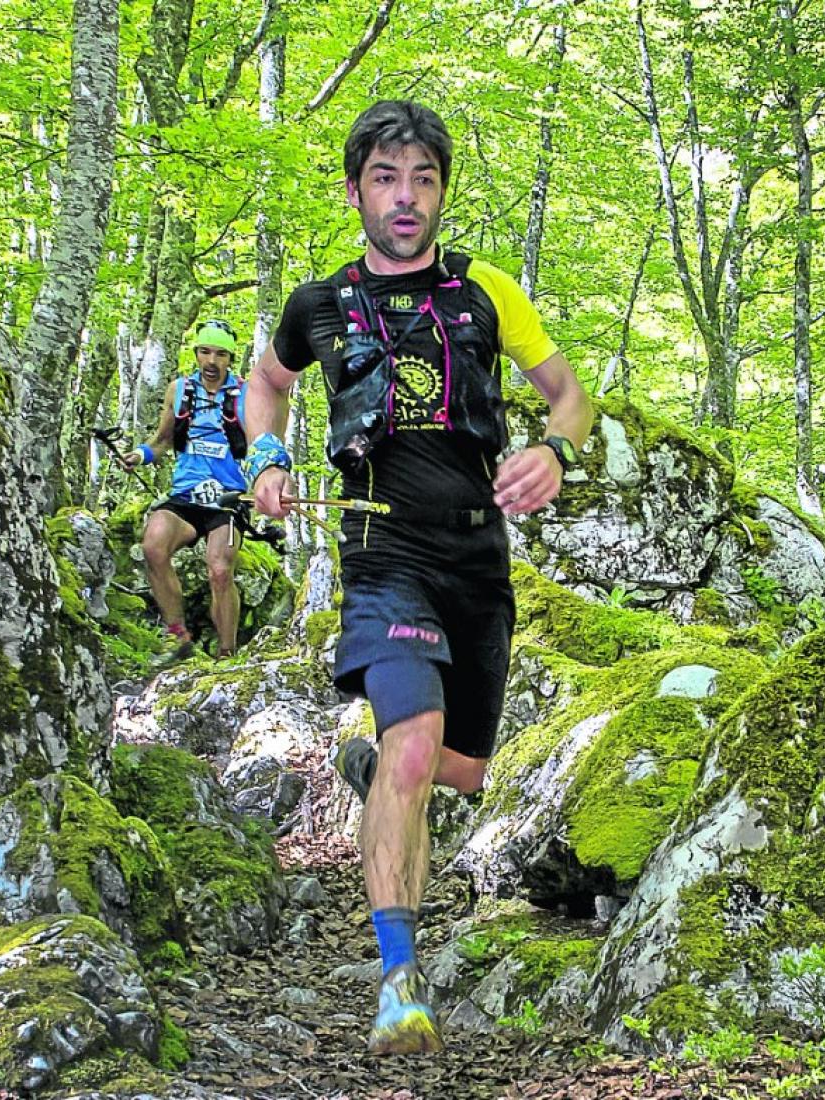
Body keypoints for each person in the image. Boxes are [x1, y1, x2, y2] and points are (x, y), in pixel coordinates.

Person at [241, 100, 593, 1055]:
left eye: (423, 180)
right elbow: (264, 384)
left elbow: (568, 393)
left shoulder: (486, 294)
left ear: (440, 191)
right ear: (356, 188)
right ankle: (399, 982)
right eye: (387, 179)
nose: (406, 198)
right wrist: (264, 458)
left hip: (478, 555)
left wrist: (556, 451)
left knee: (460, 772)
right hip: (379, 548)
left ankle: (374, 766)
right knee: (414, 749)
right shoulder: (318, 305)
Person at [119, 319, 258, 661]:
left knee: (221, 569)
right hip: (185, 495)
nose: (212, 361)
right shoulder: (179, 390)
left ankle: (227, 653)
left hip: (227, 499)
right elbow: (164, 440)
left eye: (220, 354)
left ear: (231, 358)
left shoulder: (246, 395)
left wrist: (268, 482)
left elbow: (260, 446)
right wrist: (140, 455)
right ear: (195, 353)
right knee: (153, 545)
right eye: (205, 351)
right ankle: (176, 634)